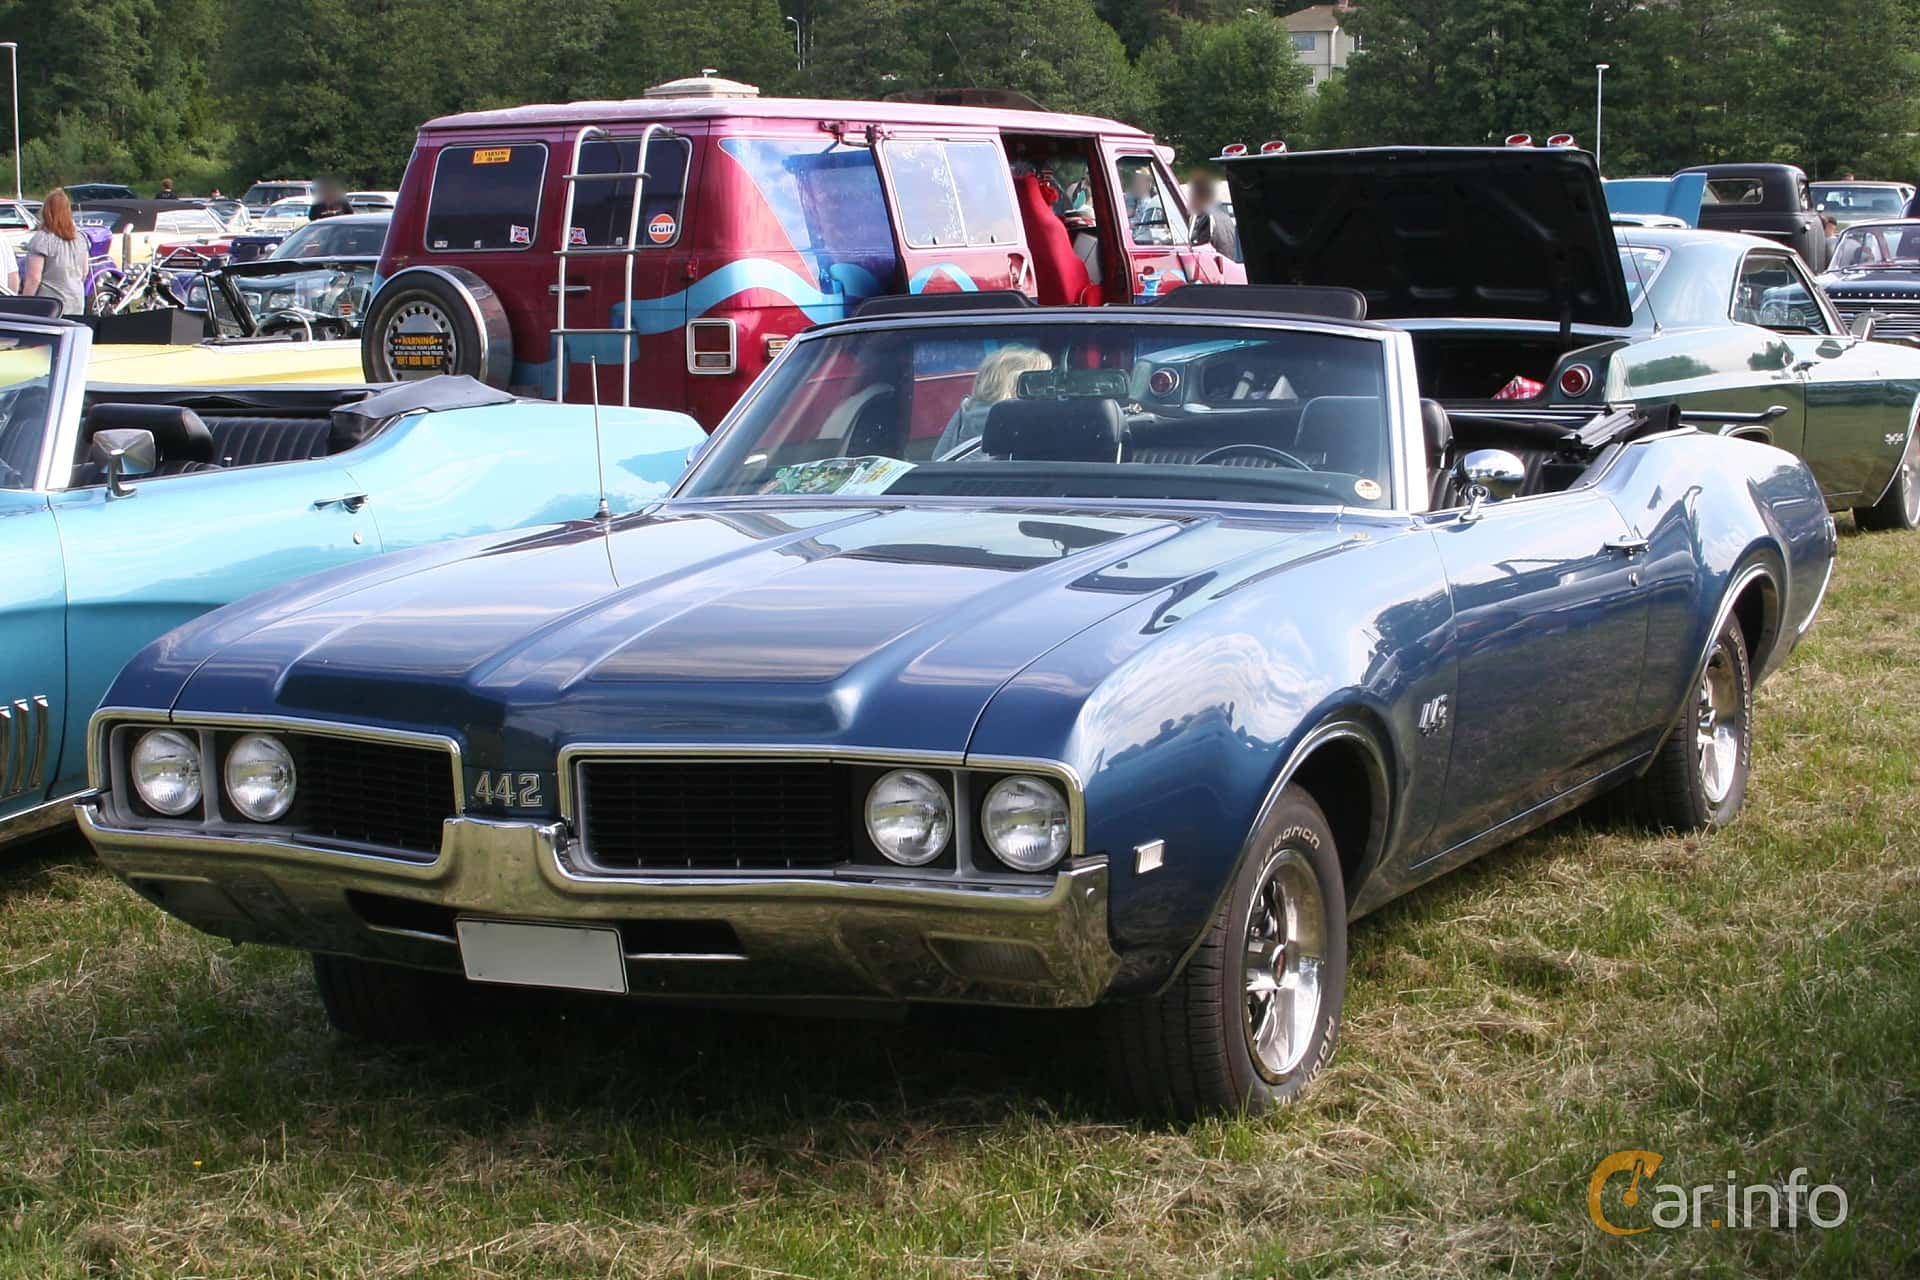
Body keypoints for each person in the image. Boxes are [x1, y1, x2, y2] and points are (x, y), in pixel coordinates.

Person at [933, 346, 1054, 457]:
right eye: (1041, 380)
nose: (1051, 387)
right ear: (1017, 385)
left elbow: (939, 457)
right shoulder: (1023, 419)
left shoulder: (966, 410)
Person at [20, 189, 90, 316]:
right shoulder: (80, 238)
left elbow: (34, 278)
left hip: (49, 306)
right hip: (76, 302)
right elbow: (84, 272)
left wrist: (24, 305)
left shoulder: (41, 239)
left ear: (46, 211)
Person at [1188, 173, 1241, 262]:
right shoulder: (1225, 217)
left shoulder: (1203, 217)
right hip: (1230, 265)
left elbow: (1198, 249)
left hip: (1214, 268)